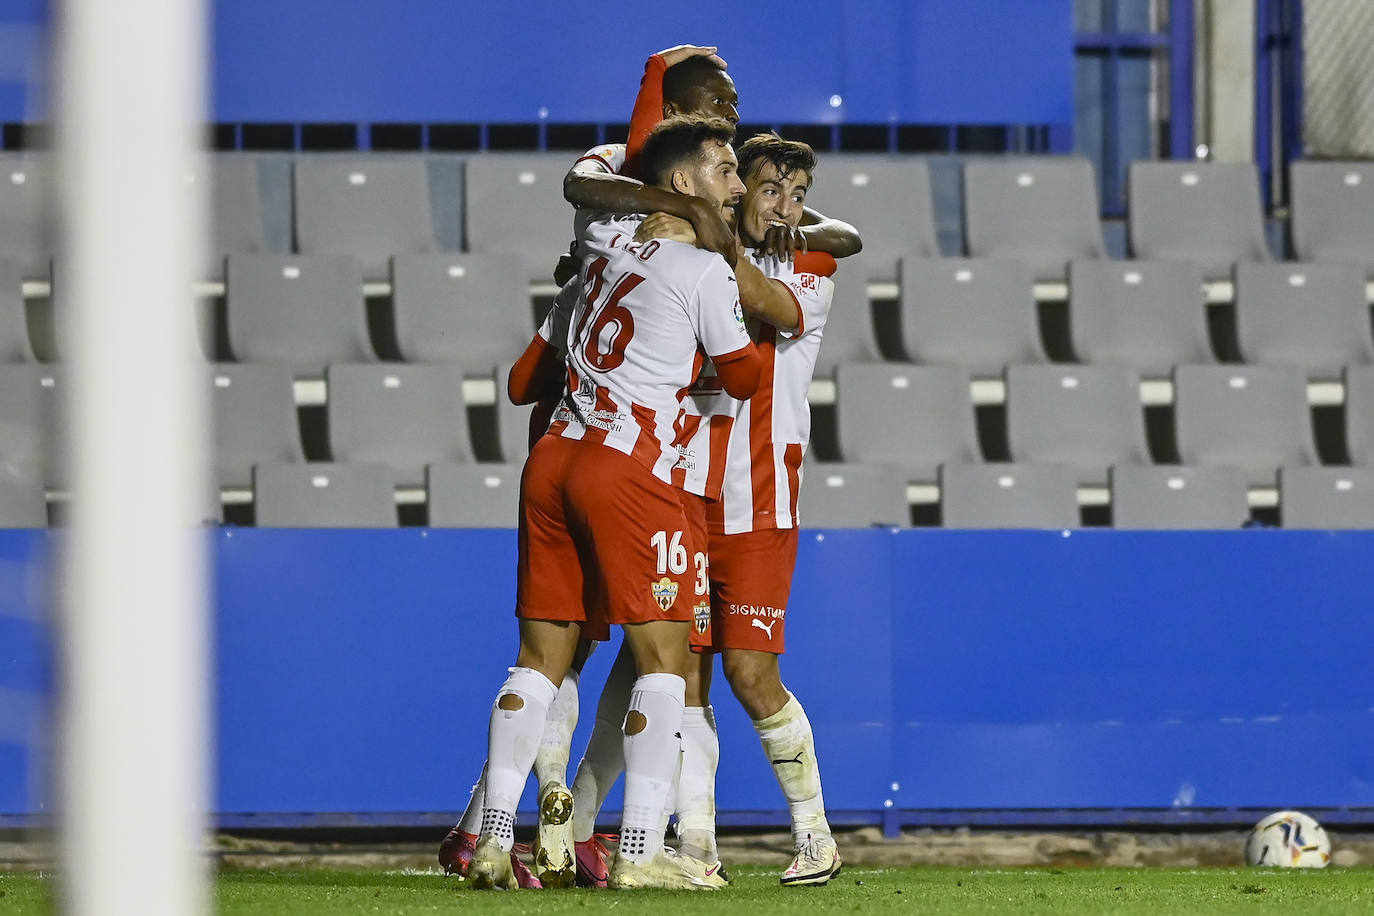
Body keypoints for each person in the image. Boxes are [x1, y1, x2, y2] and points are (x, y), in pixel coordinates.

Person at [436, 44, 735, 888]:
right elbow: (583, 186)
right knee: (640, 655)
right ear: (672, 103)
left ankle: (500, 828)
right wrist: (690, 215)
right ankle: (632, 841)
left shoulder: (709, 187)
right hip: (634, 454)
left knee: (562, 654)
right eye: (715, 95)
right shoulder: (624, 172)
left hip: (578, 442)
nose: (729, 112)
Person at [573, 133, 850, 887]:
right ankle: (695, 844)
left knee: (751, 675)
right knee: (677, 672)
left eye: (798, 196)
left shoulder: (812, 265)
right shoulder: (680, 256)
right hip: (684, 492)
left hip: (760, 501)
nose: (786, 210)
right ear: (738, 190)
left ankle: (815, 834)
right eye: (769, 191)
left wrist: (704, 233)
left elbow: (765, 302)